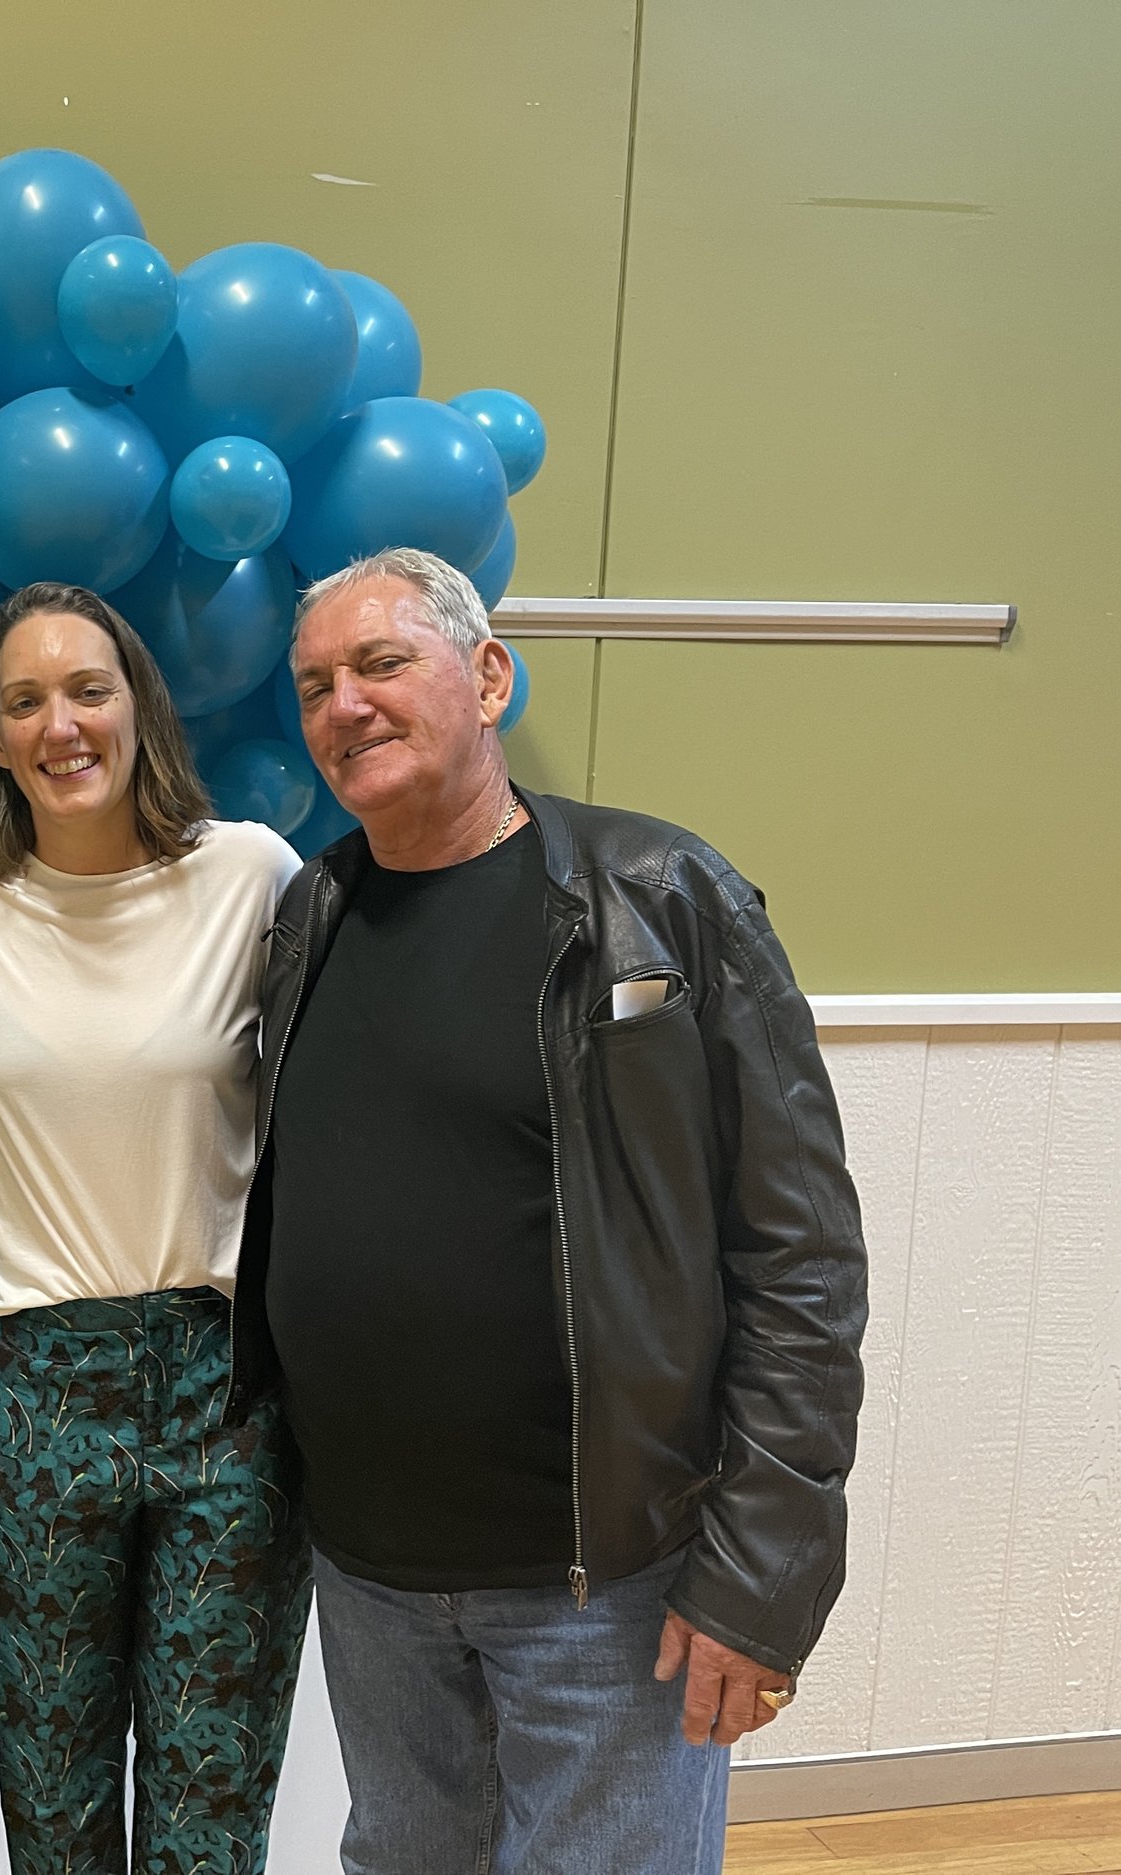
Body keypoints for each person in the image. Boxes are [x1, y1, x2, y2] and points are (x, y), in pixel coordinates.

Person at [252, 546, 869, 1874]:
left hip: (606, 1587)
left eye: (380, 663)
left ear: (486, 676)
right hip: (373, 1578)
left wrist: (761, 1575)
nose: (343, 704)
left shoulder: (663, 899)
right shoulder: (314, 914)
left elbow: (801, 1257)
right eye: (313, 685)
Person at [0, 582, 308, 1875]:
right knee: (55, 1802)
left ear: (141, 704)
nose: (60, 722)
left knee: (211, 1802)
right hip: (36, 1388)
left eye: (88, 687)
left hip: (227, 1386)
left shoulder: (247, 872)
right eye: (23, 699)